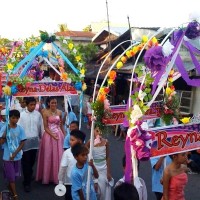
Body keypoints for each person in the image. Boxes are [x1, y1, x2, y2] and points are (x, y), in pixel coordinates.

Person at [36, 96, 65, 184]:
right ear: (48, 103)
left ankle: (58, 176)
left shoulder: (59, 112)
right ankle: (47, 177)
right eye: (52, 102)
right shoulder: (45, 112)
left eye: (55, 103)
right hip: (48, 136)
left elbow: (61, 125)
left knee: (58, 156)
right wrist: (53, 135)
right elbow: (45, 127)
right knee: (48, 155)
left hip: (59, 135)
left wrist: (64, 135)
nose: (54, 104)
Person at [18, 97, 43, 192]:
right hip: (25, 142)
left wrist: (41, 137)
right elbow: (19, 129)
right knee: (26, 163)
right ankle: (26, 183)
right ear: (27, 105)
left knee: (33, 161)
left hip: (35, 141)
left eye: (34, 104)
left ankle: (29, 174)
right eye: (31, 105)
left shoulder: (38, 115)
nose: (33, 106)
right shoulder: (22, 115)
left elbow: (41, 127)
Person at [0, 109, 26, 200]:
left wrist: (15, 153)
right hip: (7, 157)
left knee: (15, 176)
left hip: (17, 157)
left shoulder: (20, 128)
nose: (15, 120)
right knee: (12, 178)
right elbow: (1, 142)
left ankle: (10, 188)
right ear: (9, 118)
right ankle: (15, 195)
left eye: (17, 118)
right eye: (13, 118)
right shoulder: (5, 128)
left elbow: (23, 142)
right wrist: (5, 133)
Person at [58, 130, 86, 200]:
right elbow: (62, 168)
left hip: (82, 182)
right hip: (69, 183)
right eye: (70, 139)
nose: (70, 141)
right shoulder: (67, 153)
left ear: (80, 141)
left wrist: (95, 181)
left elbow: (89, 167)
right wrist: (60, 182)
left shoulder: (86, 152)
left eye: (72, 140)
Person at [86, 126, 112, 200]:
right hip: (94, 167)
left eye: (101, 131)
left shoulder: (106, 142)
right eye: (97, 131)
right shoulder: (90, 142)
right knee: (94, 188)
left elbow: (107, 157)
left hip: (103, 167)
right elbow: (84, 152)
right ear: (93, 131)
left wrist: (108, 172)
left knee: (103, 188)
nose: (99, 133)